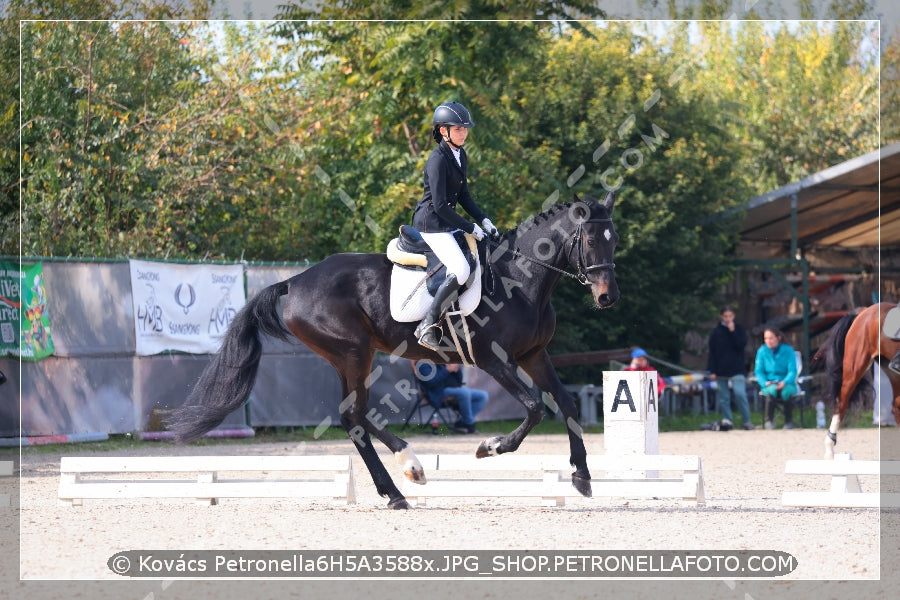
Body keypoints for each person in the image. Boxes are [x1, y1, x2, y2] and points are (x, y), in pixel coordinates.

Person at [411, 101, 498, 350]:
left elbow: (464, 196)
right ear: (443, 131)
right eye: (458, 129)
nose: (464, 133)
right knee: (460, 269)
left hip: (447, 221)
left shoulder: (460, 154)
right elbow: (439, 205)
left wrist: (483, 219)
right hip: (432, 223)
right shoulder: (437, 160)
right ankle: (427, 323)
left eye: (465, 128)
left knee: (482, 252)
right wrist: (470, 227)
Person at [707, 305, 754, 430]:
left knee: (740, 393)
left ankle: (747, 420)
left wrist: (733, 332)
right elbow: (712, 353)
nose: (728, 319)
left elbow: (741, 344)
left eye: (730, 316)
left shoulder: (739, 329)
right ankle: (728, 420)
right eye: (725, 316)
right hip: (721, 369)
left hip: (737, 368)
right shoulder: (716, 332)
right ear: (721, 317)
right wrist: (711, 370)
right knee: (724, 397)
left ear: (733, 316)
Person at [413, 361, 488, 434]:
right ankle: (469, 425)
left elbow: (459, 381)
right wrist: (447, 370)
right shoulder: (422, 363)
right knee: (464, 393)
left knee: (482, 396)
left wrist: (456, 369)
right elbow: (429, 382)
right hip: (436, 393)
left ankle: (461, 423)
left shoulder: (443, 359)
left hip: (453, 390)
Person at [754, 327, 798, 430]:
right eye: (766, 338)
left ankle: (788, 421)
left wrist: (785, 381)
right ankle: (769, 421)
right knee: (772, 390)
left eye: (771, 338)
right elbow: (758, 371)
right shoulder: (762, 351)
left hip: (787, 383)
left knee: (786, 392)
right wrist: (765, 382)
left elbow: (792, 371)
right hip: (769, 383)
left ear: (778, 338)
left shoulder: (788, 350)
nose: (768, 341)